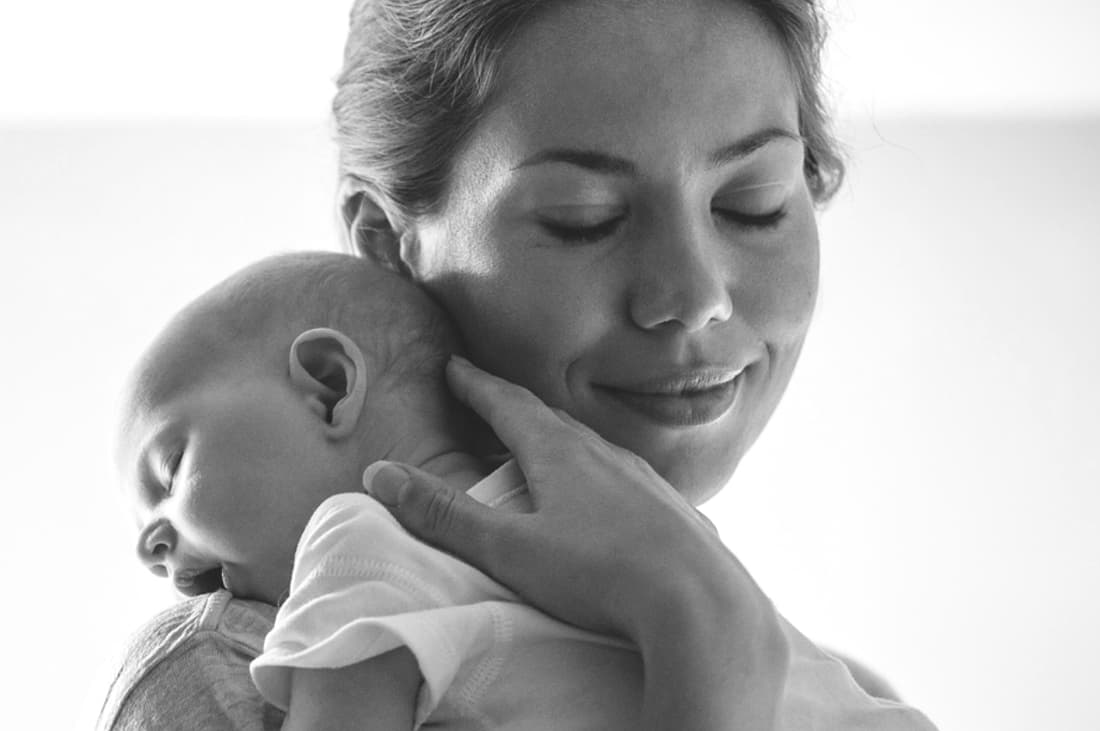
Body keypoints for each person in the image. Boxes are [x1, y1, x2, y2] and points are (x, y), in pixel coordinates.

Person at [96, 1, 938, 729]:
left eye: (752, 203)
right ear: (390, 245)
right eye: (585, 217)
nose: (692, 295)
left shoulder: (851, 697)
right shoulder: (229, 670)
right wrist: (709, 651)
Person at [115, 251, 924, 730]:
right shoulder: (650, 539)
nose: (150, 543)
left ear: (328, 386)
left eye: (170, 469)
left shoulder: (359, 542)